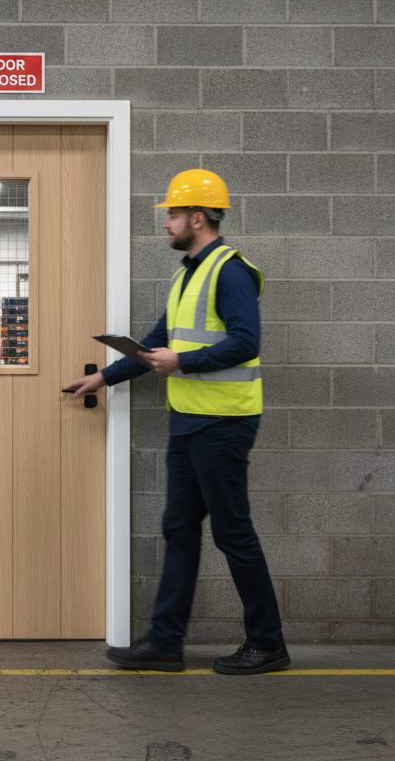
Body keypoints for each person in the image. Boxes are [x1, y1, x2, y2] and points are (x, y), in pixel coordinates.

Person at [64, 169, 289, 675]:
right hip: (188, 422)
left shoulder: (230, 271)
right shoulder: (185, 274)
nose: (165, 223)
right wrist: (104, 377)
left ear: (198, 217)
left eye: (172, 214)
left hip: (223, 422)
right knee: (179, 528)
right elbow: (156, 345)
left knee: (232, 532)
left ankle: (268, 642)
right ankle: (165, 643)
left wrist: (182, 362)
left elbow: (246, 341)